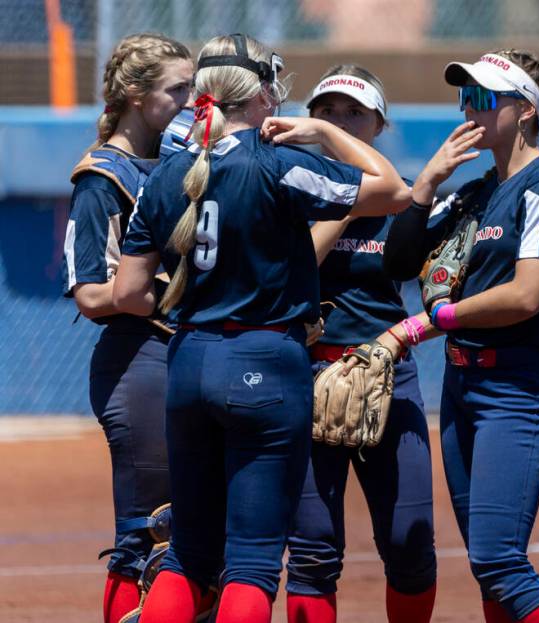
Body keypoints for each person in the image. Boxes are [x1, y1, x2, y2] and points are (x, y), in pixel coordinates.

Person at [112, 33, 411, 623]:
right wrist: (326, 134)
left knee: (189, 555)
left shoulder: (168, 172)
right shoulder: (277, 164)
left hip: (190, 359)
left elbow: (128, 292)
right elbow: (394, 191)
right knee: (250, 563)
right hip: (266, 362)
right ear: (264, 96)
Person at [383, 49, 539, 623]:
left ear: (525, 110)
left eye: (482, 98)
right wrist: (426, 181)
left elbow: (527, 296)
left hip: (517, 390)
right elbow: (398, 261)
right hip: (463, 387)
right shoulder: (475, 192)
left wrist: (432, 321)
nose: (468, 109)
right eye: (463, 97)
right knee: (487, 566)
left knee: (499, 561)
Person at [284, 65, 437, 623]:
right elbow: (292, 268)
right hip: (303, 378)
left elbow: (445, 283)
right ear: (309, 122)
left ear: (378, 126)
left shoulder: (405, 204)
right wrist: (349, 194)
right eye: (326, 112)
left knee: (410, 543)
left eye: (354, 114)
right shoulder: (287, 195)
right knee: (313, 552)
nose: (339, 122)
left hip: (387, 377)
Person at [60, 32, 192, 623]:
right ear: (136, 95)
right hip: (140, 358)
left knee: (193, 535)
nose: (190, 100)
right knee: (146, 537)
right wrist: (171, 293)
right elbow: (90, 291)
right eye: (177, 89)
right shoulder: (103, 176)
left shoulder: (176, 160)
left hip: (187, 355)